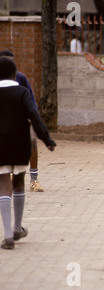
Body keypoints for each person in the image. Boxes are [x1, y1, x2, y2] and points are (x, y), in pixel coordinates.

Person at [0, 57, 56, 249]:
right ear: (15, 75)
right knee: (18, 183)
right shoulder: (22, 92)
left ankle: (7, 234)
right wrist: (47, 140)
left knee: (3, 185)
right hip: (20, 144)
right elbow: (34, 115)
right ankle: (17, 228)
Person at [0, 50, 45, 192]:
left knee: (32, 140)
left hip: (20, 120)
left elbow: (31, 103)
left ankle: (34, 179)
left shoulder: (20, 78)